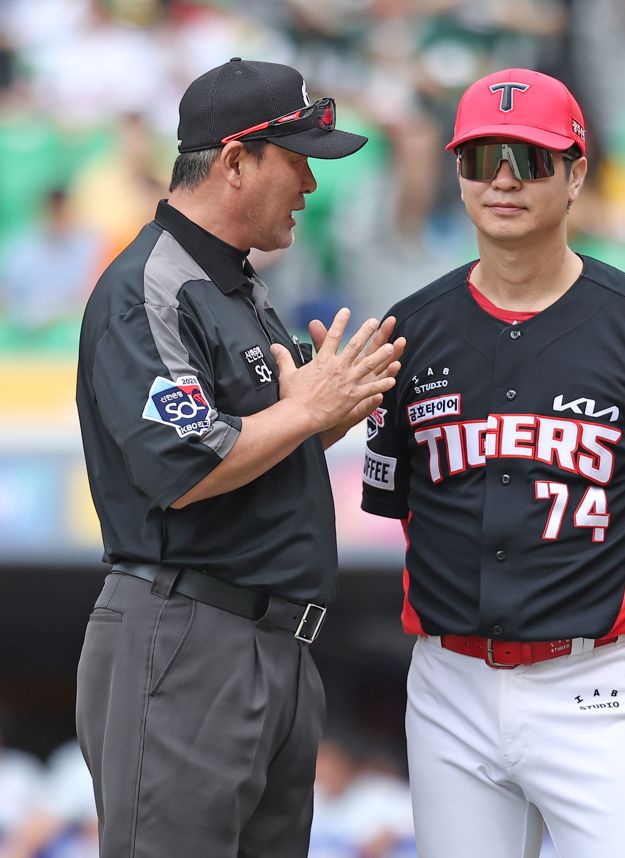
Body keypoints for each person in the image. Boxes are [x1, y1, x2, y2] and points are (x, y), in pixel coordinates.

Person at [361, 68, 625, 858]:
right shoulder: (409, 328)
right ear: (457, 173)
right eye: (481, 157)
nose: (502, 179)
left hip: (595, 685)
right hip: (449, 687)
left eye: (529, 159)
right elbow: (406, 514)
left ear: (575, 173)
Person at [75, 57, 404, 858]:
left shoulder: (237, 288)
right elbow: (188, 467)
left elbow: (264, 446)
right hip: (188, 633)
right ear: (233, 162)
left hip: (272, 643)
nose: (311, 186)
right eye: (298, 161)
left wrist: (327, 415)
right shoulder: (148, 284)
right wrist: (309, 409)